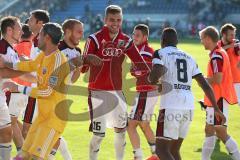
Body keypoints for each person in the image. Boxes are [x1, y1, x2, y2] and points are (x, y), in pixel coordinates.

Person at [82, 5, 150, 160]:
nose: (115, 23)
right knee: (99, 135)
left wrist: (142, 71)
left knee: (121, 131)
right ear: (105, 20)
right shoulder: (94, 39)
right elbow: (83, 67)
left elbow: (141, 64)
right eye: (112, 20)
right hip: (97, 92)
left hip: (118, 93)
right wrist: (88, 60)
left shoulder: (126, 40)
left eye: (118, 20)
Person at [148, 27, 226, 160]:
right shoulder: (189, 57)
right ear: (177, 41)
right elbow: (205, 85)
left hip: (171, 105)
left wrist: (152, 79)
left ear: (162, 40)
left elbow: (155, 75)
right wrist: (216, 108)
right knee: (174, 149)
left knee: (161, 150)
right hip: (188, 107)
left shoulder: (160, 53)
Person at [1, 22, 75, 160]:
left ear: (47, 37)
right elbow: (30, 65)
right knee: (24, 154)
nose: (36, 37)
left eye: (40, 34)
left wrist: (18, 88)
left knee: (37, 157)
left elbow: (47, 92)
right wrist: (6, 63)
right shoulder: (43, 55)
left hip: (54, 119)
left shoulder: (58, 61)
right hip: (42, 117)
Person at [199, 26, 240, 160]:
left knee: (221, 132)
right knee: (209, 130)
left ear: (208, 39)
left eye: (202, 39)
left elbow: (218, 78)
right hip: (215, 99)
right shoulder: (219, 52)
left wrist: (202, 80)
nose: (201, 42)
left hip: (218, 99)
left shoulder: (217, 55)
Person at [127, 24, 158, 160]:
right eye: (134, 34)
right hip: (150, 91)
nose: (134, 37)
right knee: (144, 125)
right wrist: (135, 70)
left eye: (138, 35)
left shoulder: (144, 51)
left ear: (145, 37)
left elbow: (141, 71)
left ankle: (138, 156)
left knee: (130, 124)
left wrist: (133, 70)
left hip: (145, 91)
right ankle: (157, 153)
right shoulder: (145, 49)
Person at [218, 23, 240, 106]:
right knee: (223, 106)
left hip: (237, 81)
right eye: (231, 35)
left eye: (234, 34)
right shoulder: (218, 45)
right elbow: (214, 52)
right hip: (224, 82)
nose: (233, 37)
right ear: (223, 34)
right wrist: (229, 46)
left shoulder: (236, 43)